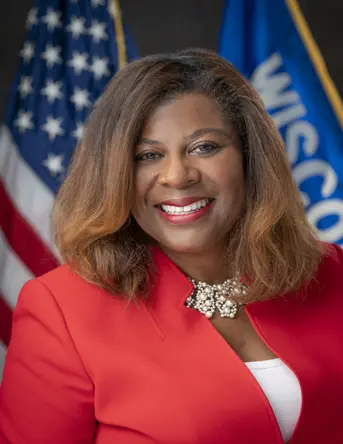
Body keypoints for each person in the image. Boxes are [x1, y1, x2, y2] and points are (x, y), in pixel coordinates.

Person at [0, 48, 342, 444]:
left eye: (204, 147)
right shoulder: (60, 309)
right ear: (118, 176)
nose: (176, 176)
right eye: (148, 155)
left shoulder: (330, 270)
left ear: (250, 157)